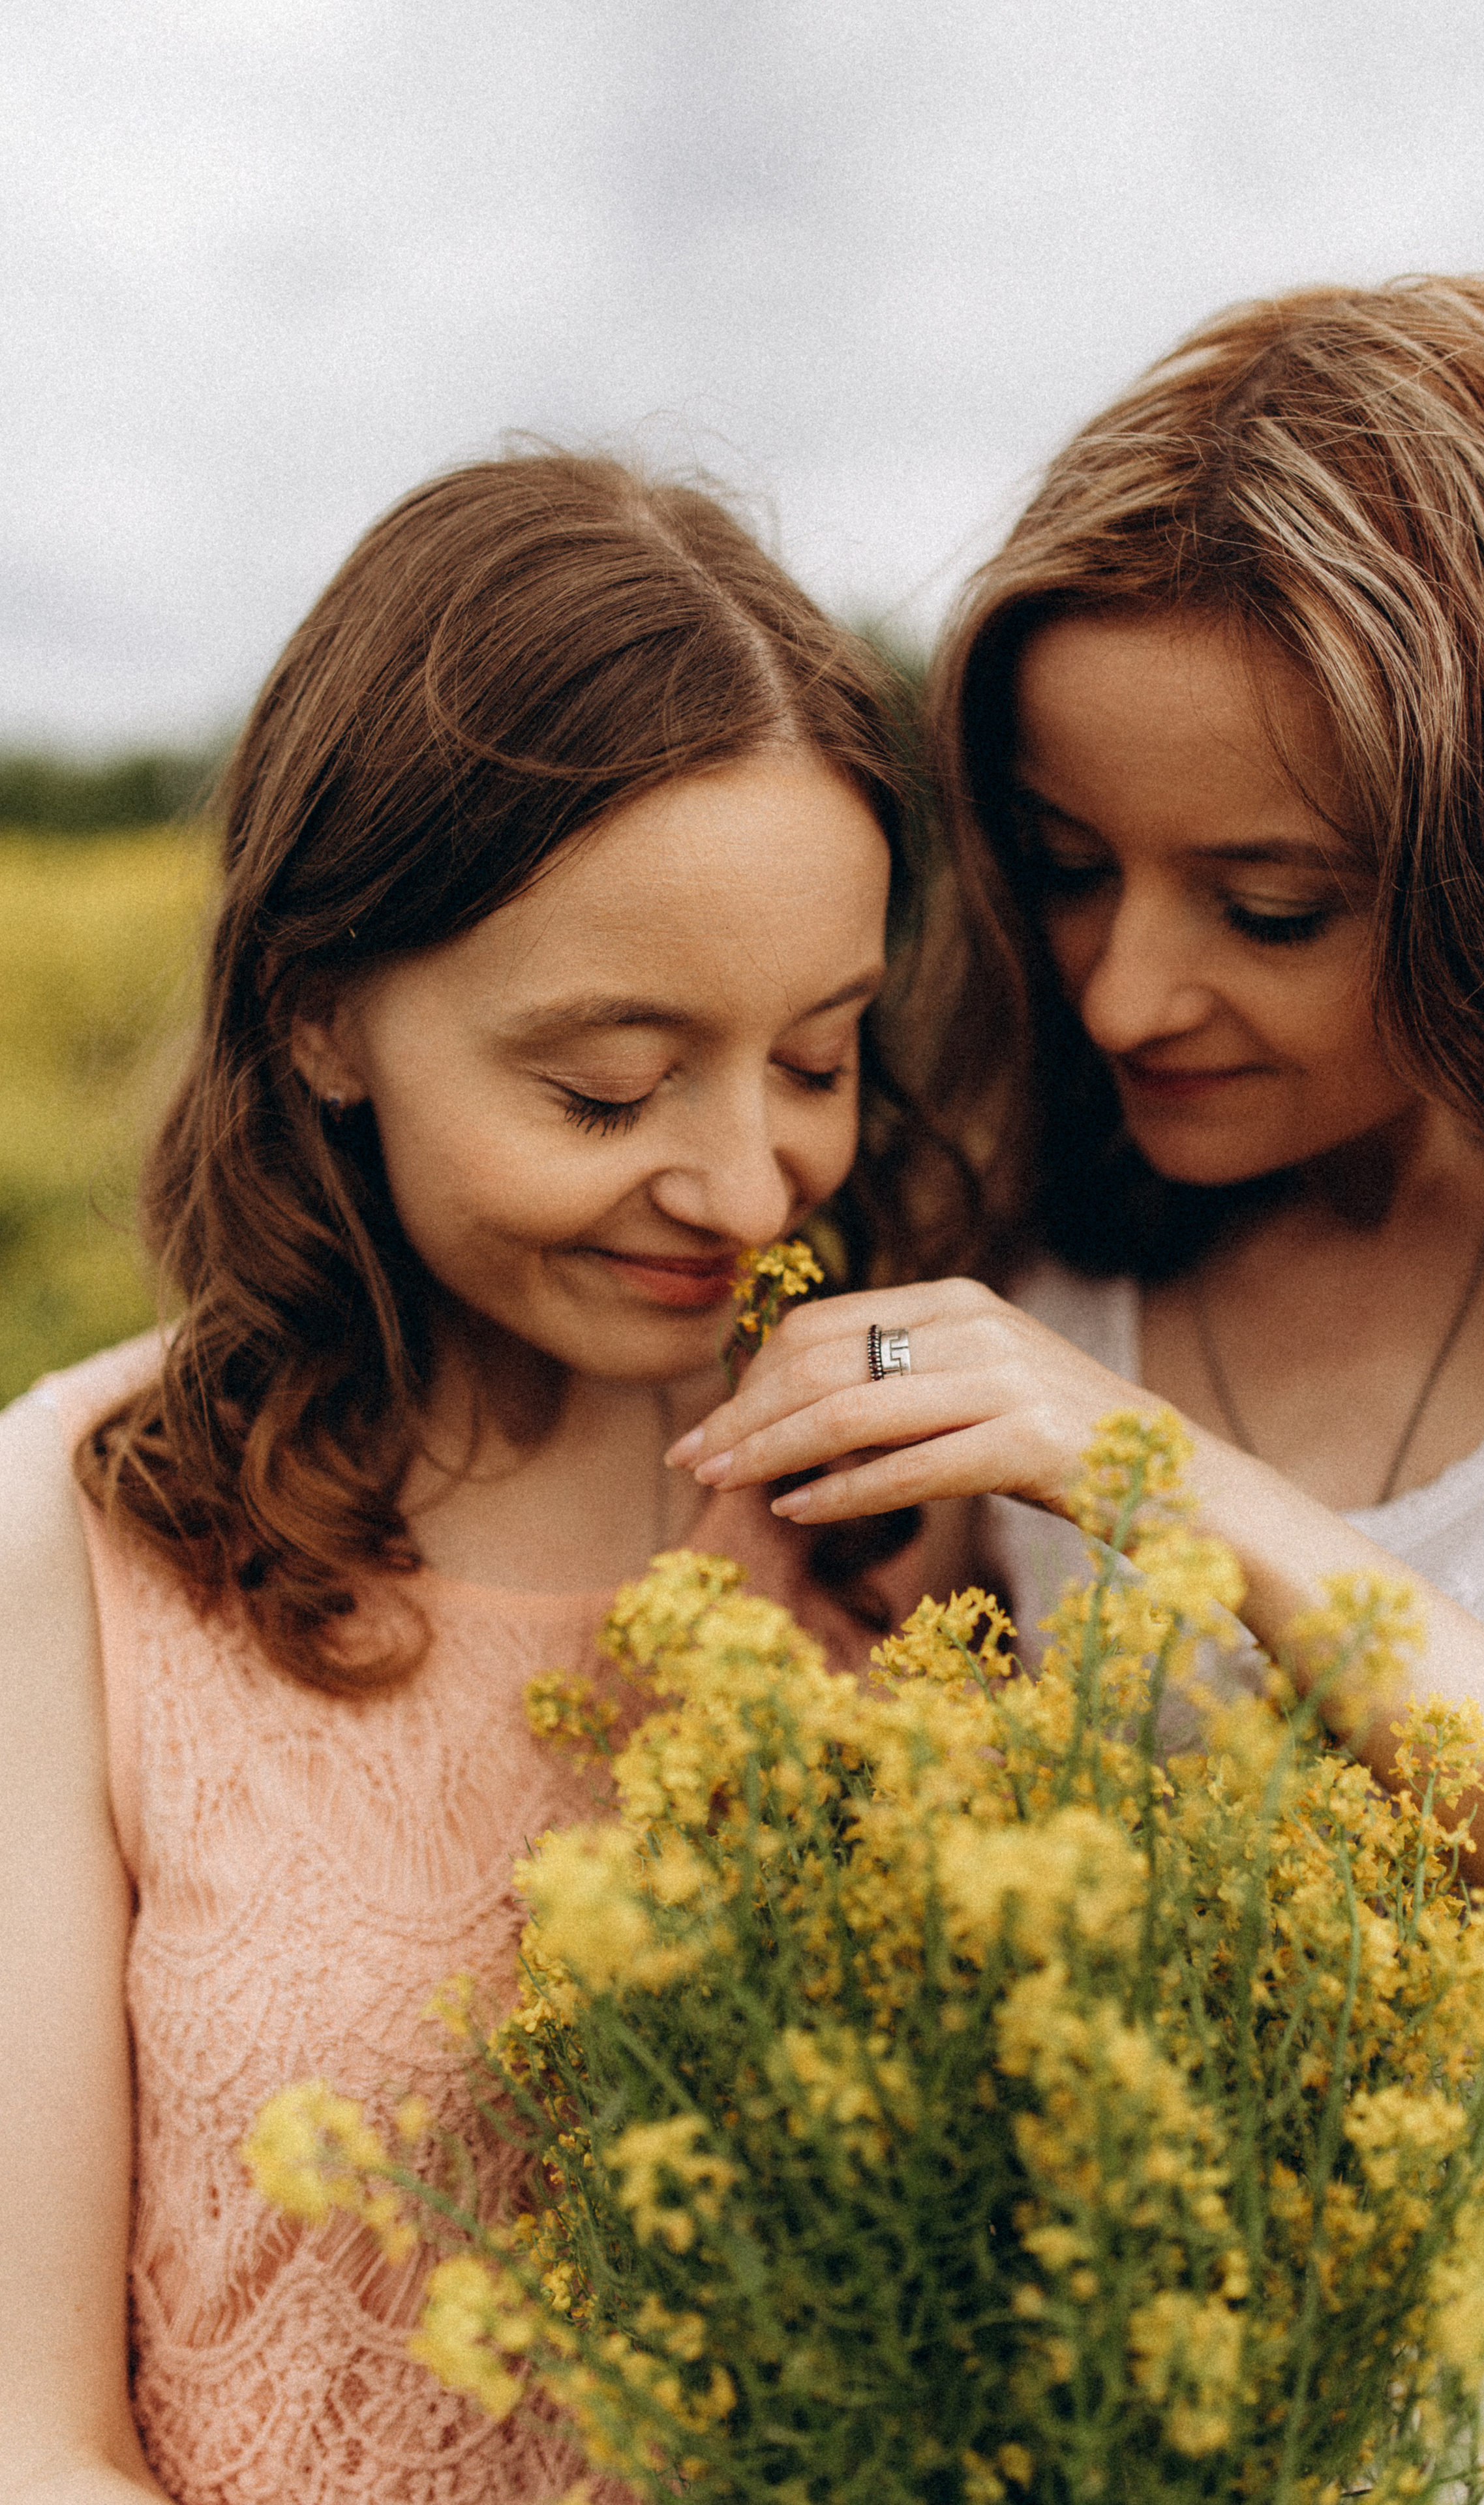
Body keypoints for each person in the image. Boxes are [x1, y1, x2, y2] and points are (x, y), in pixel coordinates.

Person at [670, 281, 1484, 2487]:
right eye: (1062, 869)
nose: (1129, 991)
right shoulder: (981, 1250)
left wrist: (1162, 1486)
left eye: (1274, 903)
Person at [0, 451, 971, 2505]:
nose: (741, 1183)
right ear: (326, 1017)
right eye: (604, 1085)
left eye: (818, 1057)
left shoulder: (922, 1504)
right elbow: (26, 2433)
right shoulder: (73, 1528)